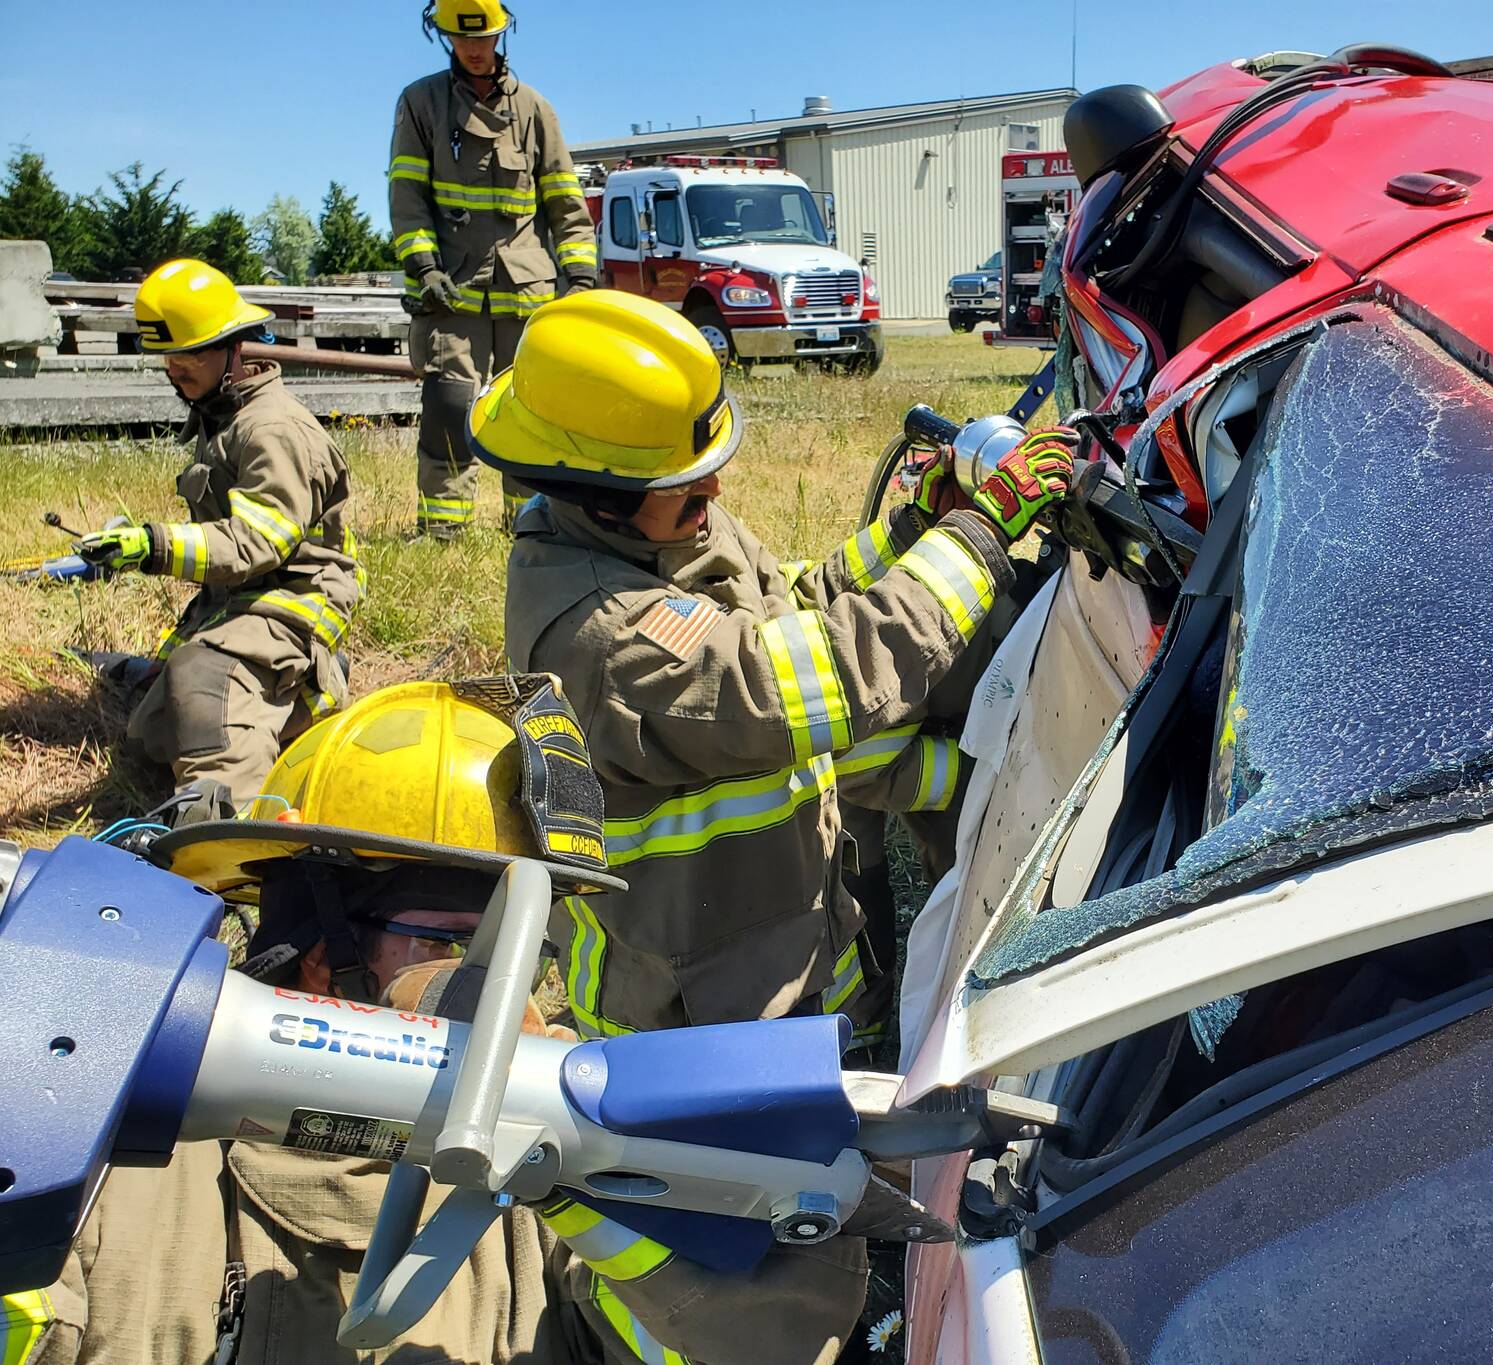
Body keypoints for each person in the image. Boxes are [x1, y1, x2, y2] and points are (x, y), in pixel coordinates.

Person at [18, 677, 866, 1365]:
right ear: (316, 950)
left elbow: (775, 1334)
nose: (509, 991)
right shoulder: (118, 1191)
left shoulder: (543, 1214)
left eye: (525, 946)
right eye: (461, 943)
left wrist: (597, 1167)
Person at [472, 289, 1077, 1043]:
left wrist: (918, 527)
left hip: (788, 953)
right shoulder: (604, 638)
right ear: (597, 497)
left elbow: (785, 612)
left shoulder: (660, 527)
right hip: (698, 1028)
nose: (714, 491)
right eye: (685, 482)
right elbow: (816, 679)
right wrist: (979, 538)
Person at [74, 258, 362, 808]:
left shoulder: (272, 428)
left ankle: (226, 833)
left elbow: (258, 543)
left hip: (294, 599)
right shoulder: (222, 410)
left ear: (238, 349)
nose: (174, 369)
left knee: (205, 684)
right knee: (151, 735)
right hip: (242, 599)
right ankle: (296, 695)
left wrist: (154, 545)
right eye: (167, 356)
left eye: (189, 355)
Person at [389, 0, 598, 537]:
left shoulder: (533, 111)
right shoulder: (421, 103)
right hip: (451, 291)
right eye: (463, 39)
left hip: (526, 297)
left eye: (484, 39)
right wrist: (424, 265)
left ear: (502, 33)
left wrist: (579, 281)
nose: (475, 50)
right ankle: (443, 532)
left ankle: (529, 529)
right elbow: (407, 197)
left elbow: (566, 207)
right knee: (449, 405)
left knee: (526, 414)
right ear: (445, 36)